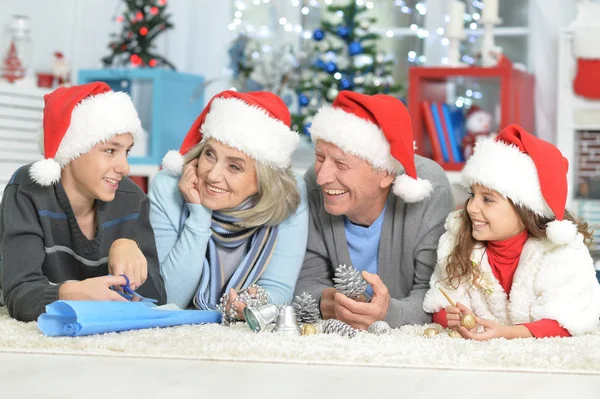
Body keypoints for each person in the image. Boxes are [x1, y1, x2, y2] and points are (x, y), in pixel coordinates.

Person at [0, 82, 166, 322]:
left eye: (126, 152)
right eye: (110, 151)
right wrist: (74, 293)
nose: (125, 167)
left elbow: (158, 298)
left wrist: (128, 245)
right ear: (72, 151)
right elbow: (19, 296)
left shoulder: (131, 199)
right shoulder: (27, 191)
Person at [294, 91, 455, 330]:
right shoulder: (311, 184)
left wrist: (388, 312)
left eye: (341, 164)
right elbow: (306, 279)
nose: (322, 178)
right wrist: (327, 302)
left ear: (386, 173)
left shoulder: (429, 188)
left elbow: (437, 293)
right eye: (320, 157)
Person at [423, 124, 600, 339]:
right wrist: (452, 317)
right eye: (472, 194)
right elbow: (439, 302)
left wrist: (507, 333)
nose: (470, 207)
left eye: (487, 199)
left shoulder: (563, 250)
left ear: (525, 211)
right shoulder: (456, 239)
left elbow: (568, 321)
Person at [149, 90, 308, 321]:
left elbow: (279, 288)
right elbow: (169, 299)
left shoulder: (290, 196)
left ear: (264, 179)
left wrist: (252, 303)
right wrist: (199, 213)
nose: (212, 175)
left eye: (234, 167)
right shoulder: (167, 187)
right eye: (210, 155)